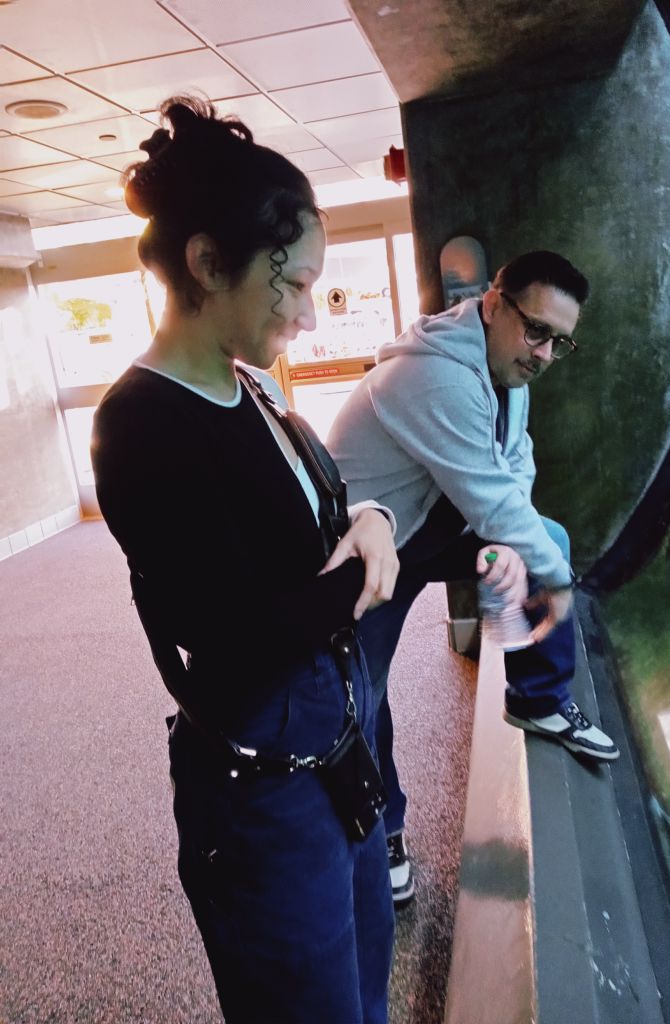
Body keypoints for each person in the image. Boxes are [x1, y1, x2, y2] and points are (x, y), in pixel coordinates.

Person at [90, 96, 399, 1024]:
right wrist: (366, 566)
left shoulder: (250, 387)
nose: (308, 316)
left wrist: (375, 516)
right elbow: (233, 635)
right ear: (208, 263)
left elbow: (333, 511)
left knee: (363, 986)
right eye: (292, 284)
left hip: (331, 751)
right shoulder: (141, 422)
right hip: (263, 790)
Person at [327, 250, 620, 904]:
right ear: (493, 304)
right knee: (361, 696)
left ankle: (538, 699)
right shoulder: (432, 378)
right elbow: (490, 503)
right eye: (536, 331)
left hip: (430, 527)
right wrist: (563, 588)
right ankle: (381, 831)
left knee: (541, 538)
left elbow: (515, 473)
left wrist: (530, 561)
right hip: (365, 549)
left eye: (559, 343)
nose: (544, 354)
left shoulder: (505, 371)